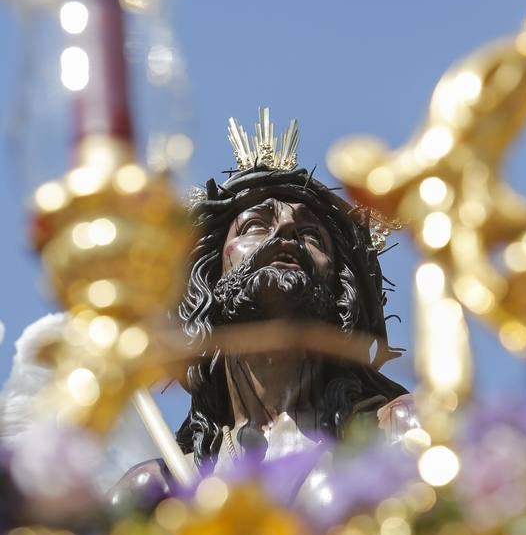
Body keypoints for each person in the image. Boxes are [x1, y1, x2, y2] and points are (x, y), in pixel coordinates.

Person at [113, 110, 411, 503]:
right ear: (211, 275)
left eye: (310, 234)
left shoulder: (395, 433)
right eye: (255, 225)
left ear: (342, 290)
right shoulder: (162, 491)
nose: (286, 230)